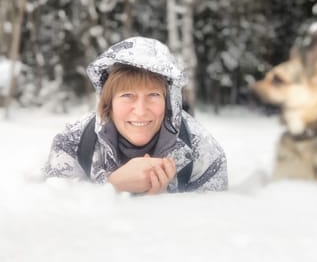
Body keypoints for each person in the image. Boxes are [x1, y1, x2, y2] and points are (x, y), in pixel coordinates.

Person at [43, 36, 228, 194]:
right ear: (108, 102)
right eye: (127, 95)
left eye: (153, 95)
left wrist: (166, 202)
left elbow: (211, 224)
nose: (140, 110)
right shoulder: (72, 144)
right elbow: (57, 218)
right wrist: (112, 186)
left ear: (169, 101)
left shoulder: (201, 152)